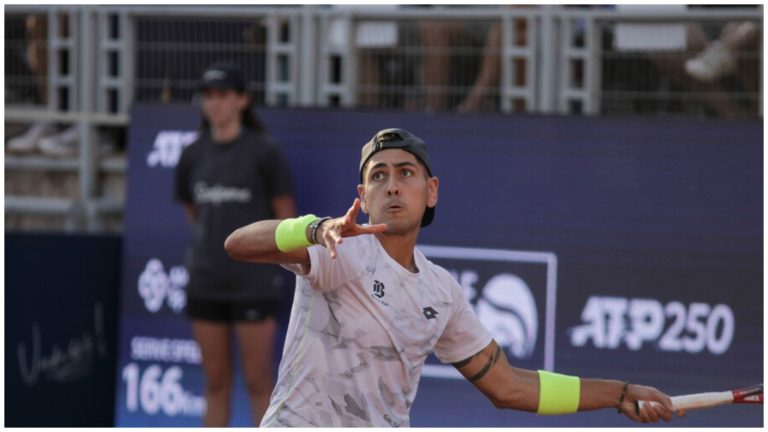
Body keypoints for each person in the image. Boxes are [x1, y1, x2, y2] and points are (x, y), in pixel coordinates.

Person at [223, 127, 682, 427]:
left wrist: (617, 393)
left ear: (432, 191)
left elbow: (508, 387)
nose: (393, 185)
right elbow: (238, 243)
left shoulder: (441, 292)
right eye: (378, 177)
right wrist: (313, 227)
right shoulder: (338, 250)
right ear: (363, 195)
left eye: (406, 173)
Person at [174, 62, 297, 426]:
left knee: (259, 381)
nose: (215, 104)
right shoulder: (192, 154)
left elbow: (286, 223)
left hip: (252, 285)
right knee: (214, 381)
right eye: (208, 96)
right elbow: (193, 212)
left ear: (243, 99)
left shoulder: (265, 153)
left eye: (223, 95)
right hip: (205, 281)